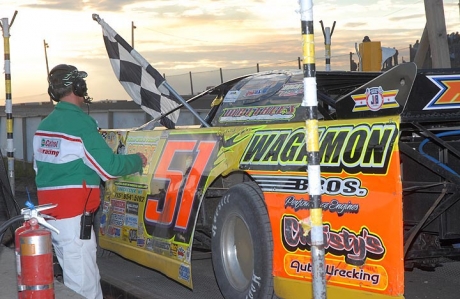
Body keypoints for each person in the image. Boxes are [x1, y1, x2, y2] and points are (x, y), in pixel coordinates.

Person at [33, 64, 147, 299]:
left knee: (82, 279)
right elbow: (110, 167)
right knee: (82, 287)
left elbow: (41, 170)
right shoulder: (81, 124)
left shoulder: (44, 127)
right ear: (78, 87)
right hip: (74, 220)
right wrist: (138, 160)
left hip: (52, 219)